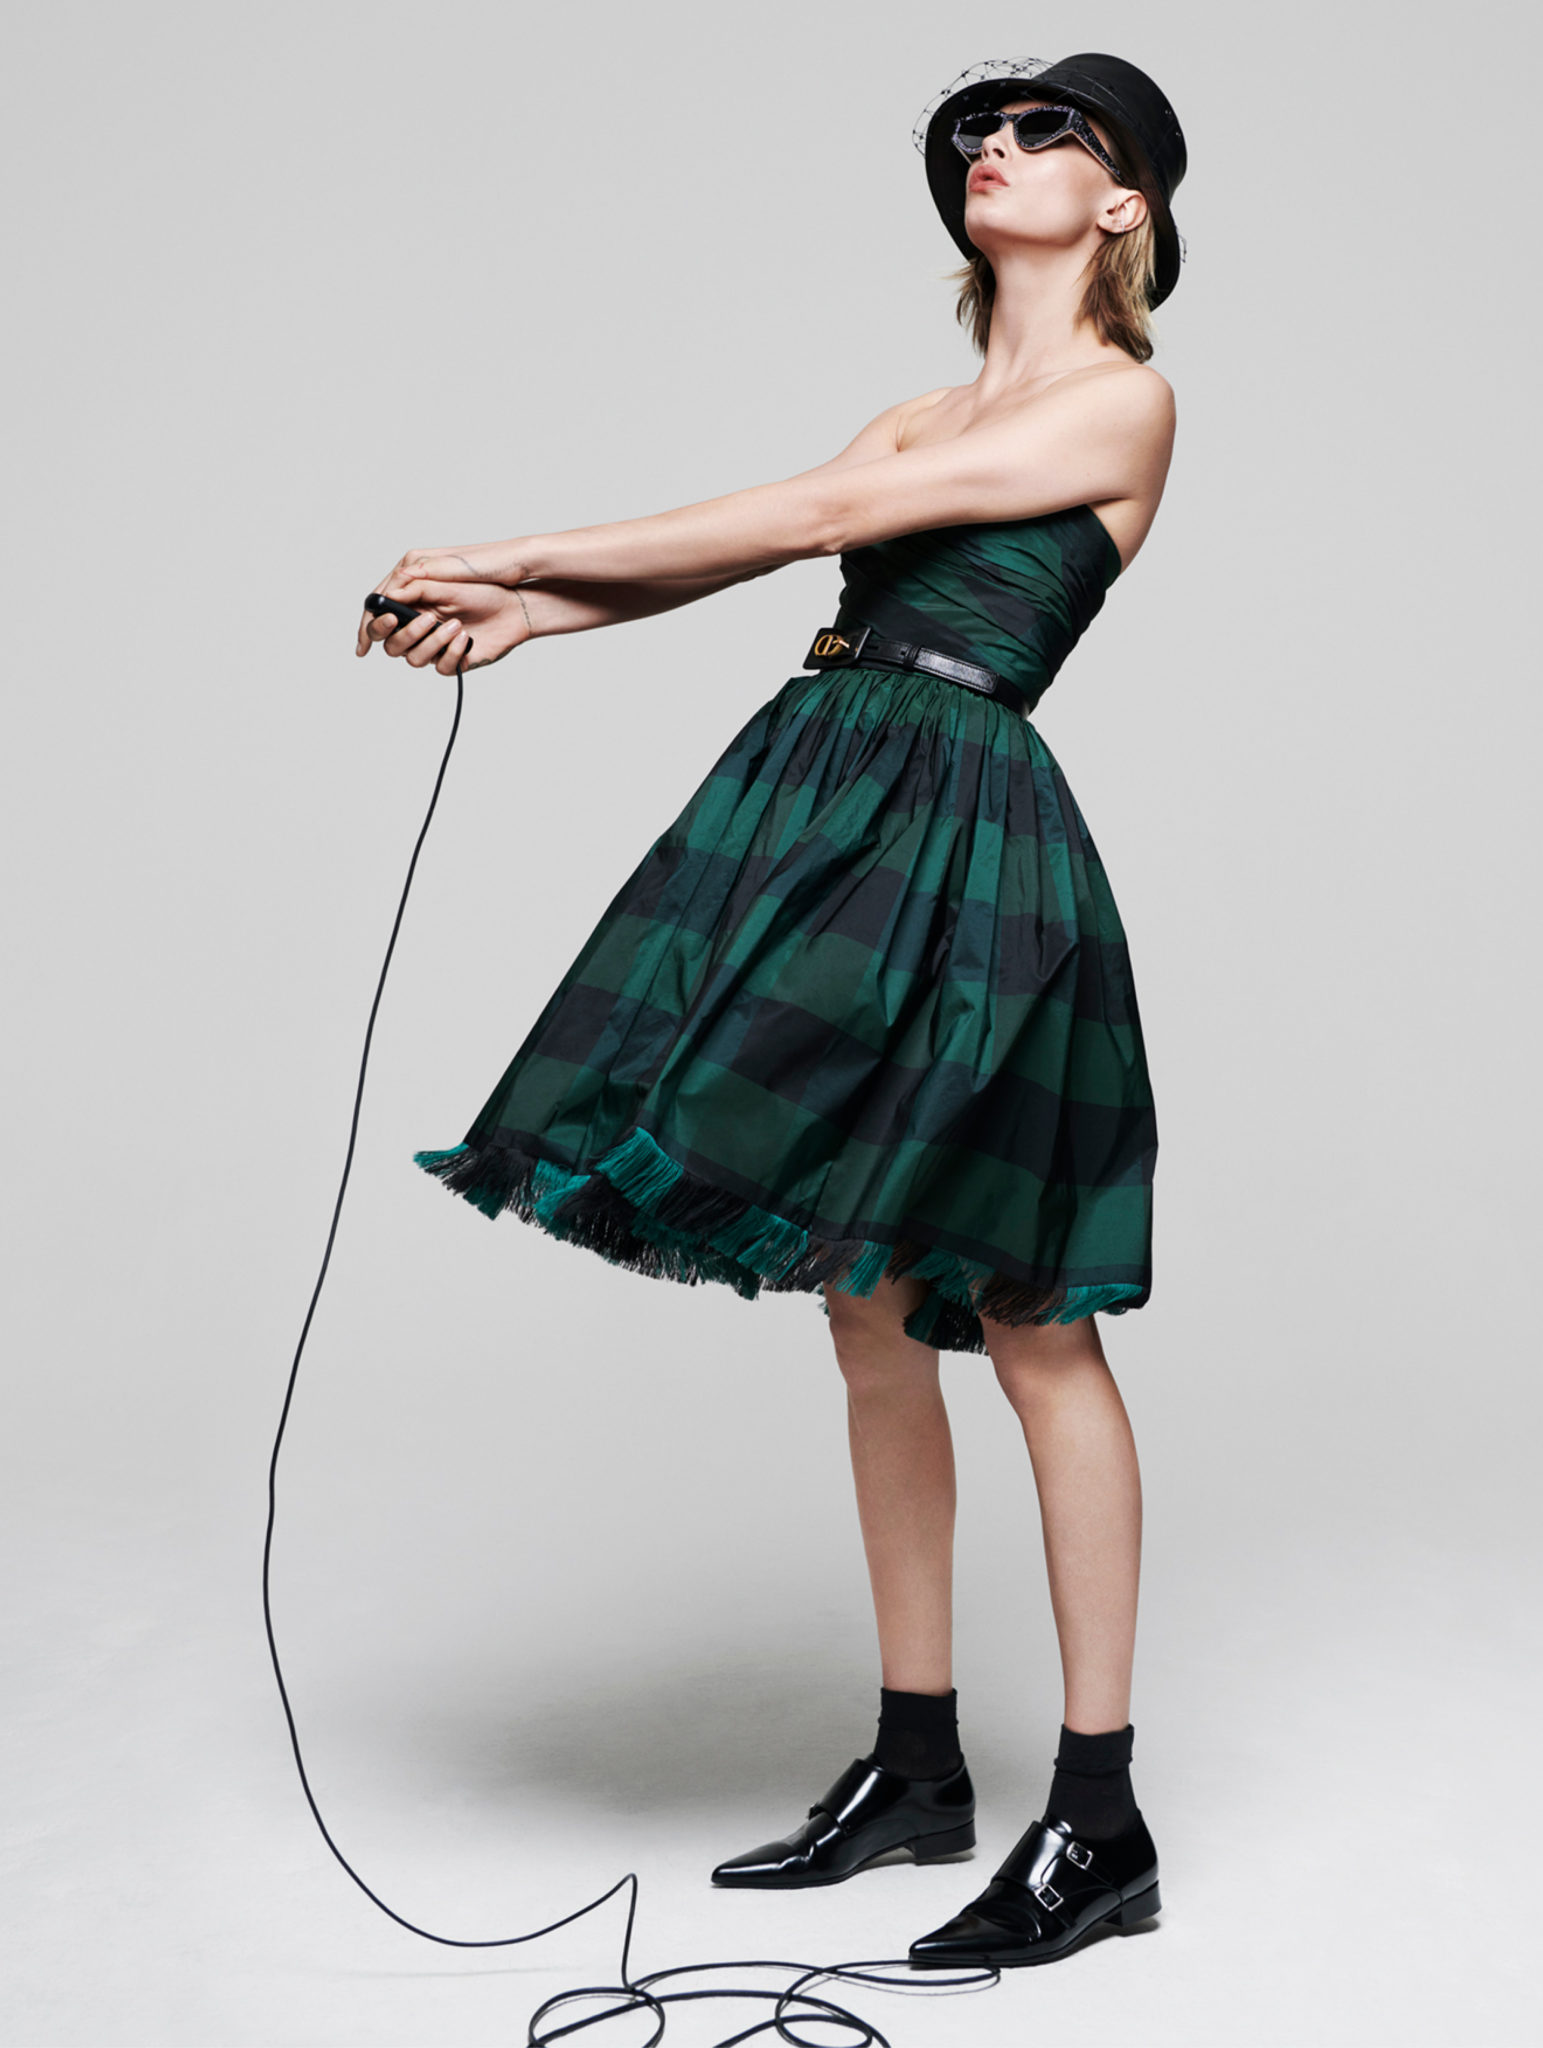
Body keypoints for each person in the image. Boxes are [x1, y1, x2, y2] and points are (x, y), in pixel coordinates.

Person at [357, 52, 1187, 1972]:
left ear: (1125, 201)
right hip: (825, 800)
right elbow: (799, 547)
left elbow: (809, 507)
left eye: (1046, 133)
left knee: (1030, 1319)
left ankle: (1098, 1821)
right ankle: (915, 1767)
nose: (996, 149)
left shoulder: (1119, 399)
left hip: (965, 840)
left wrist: (512, 546)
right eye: (979, 133)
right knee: (862, 1303)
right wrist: (532, 616)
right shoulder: (922, 410)